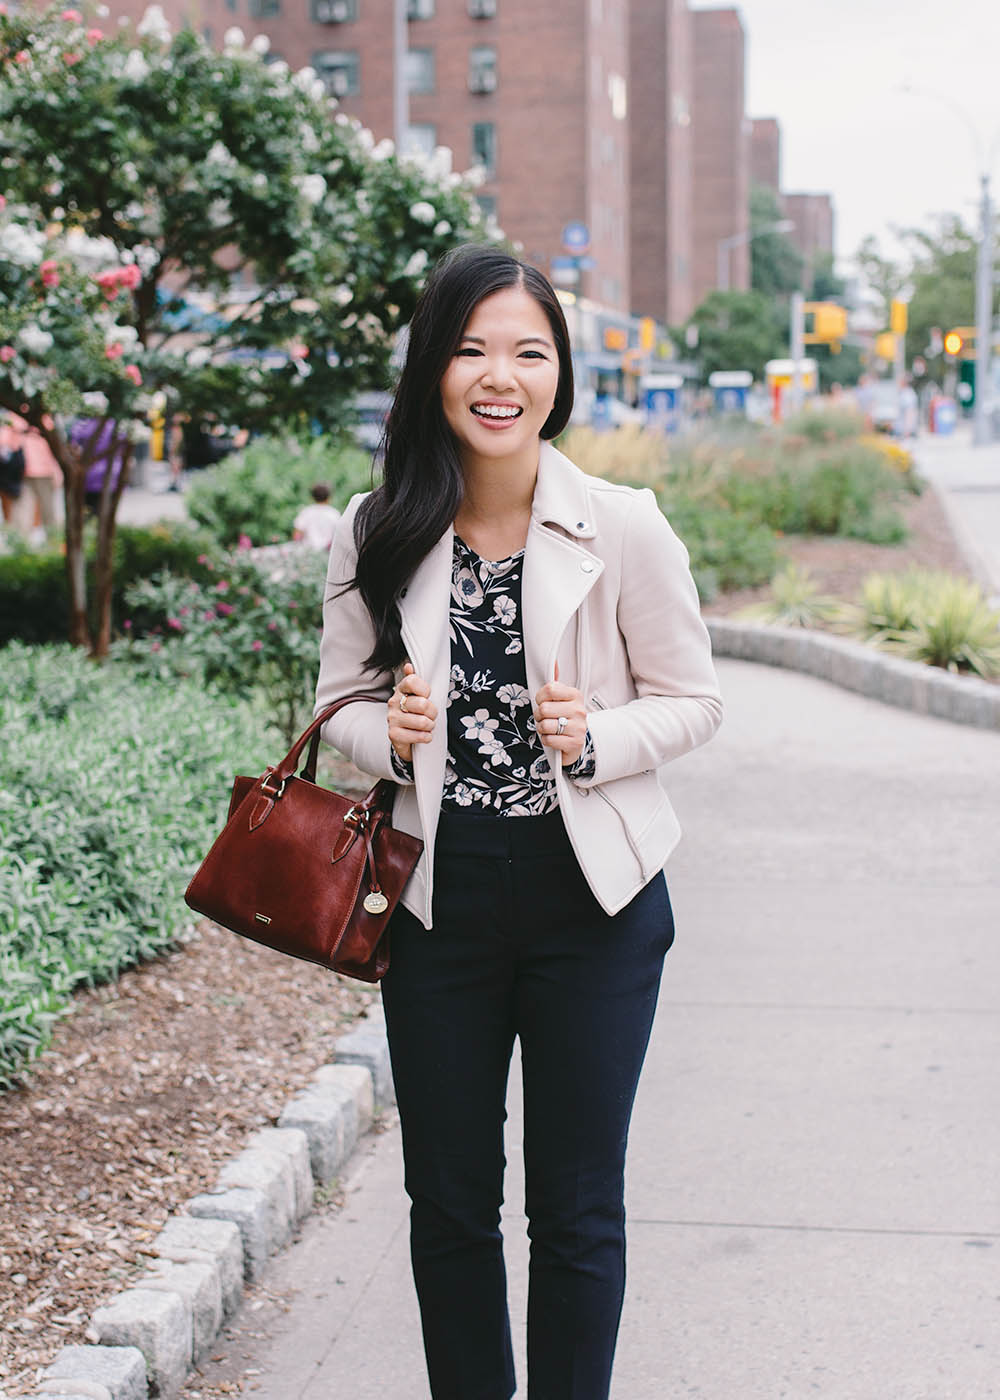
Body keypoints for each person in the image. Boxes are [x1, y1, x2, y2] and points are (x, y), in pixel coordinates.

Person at [314, 245, 722, 1400]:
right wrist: (384, 732)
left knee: (576, 1204)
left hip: (592, 897)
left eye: (528, 352)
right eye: (472, 348)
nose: (501, 376)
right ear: (434, 368)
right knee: (447, 1201)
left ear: (558, 375)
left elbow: (695, 700)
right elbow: (331, 699)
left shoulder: (624, 524)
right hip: (437, 898)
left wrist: (593, 736)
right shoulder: (379, 524)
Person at [292, 482, 341, 550]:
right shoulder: (335, 514)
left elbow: (297, 535)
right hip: (327, 553)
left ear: (312, 497)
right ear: (329, 497)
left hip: (308, 552)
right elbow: (338, 536)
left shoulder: (306, 512)